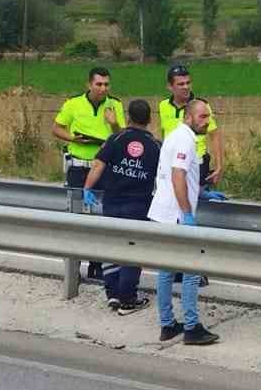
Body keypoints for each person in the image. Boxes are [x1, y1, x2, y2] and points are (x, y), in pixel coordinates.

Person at [146, 98, 220, 346]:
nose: (207, 122)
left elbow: (176, 176)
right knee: (191, 270)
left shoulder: (177, 135)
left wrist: (199, 191)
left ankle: (167, 324)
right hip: (176, 215)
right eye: (202, 117)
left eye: (208, 117)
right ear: (189, 117)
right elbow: (178, 175)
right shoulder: (186, 140)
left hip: (163, 212)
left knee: (166, 270)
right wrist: (187, 213)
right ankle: (191, 327)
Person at [83, 98, 160, 315]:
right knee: (132, 250)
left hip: (112, 202)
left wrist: (87, 188)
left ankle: (113, 294)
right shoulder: (155, 146)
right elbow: (163, 177)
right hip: (139, 205)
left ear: (128, 118)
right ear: (150, 119)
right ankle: (127, 298)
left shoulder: (116, 138)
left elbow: (98, 164)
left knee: (112, 246)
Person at [52, 66, 125, 282]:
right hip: (78, 166)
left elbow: (120, 137)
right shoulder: (73, 103)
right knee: (77, 217)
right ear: (89, 84)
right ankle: (73, 266)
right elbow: (56, 129)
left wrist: (114, 124)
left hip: (102, 167)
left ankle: (97, 265)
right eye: (99, 84)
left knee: (102, 216)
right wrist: (73, 139)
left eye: (106, 84)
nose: (103, 88)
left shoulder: (115, 104)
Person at [157, 62, 223, 193]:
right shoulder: (163, 106)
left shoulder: (200, 106)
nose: (186, 87)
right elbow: (165, 133)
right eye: (181, 84)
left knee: (193, 201)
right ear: (170, 86)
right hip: (170, 163)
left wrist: (219, 166)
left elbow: (215, 135)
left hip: (196, 163)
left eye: (188, 83)